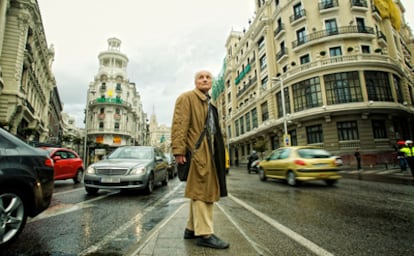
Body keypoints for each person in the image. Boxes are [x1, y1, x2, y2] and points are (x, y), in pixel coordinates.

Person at [171, 70, 229, 249]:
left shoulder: (210, 104)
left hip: (209, 152)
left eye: (208, 77)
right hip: (196, 152)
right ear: (195, 81)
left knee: (201, 188)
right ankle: (205, 234)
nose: (205, 79)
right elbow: (180, 124)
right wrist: (179, 150)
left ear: (211, 81)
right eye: (200, 77)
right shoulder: (187, 98)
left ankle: (191, 228)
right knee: (203, 191)